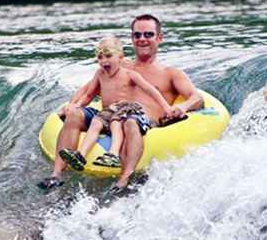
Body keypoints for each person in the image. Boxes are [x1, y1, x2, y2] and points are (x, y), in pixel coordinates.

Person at [38, 13, 204, 191]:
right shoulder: (117, 65)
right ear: (131, 38)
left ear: (159, 38)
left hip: (139, 121)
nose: (142, 39)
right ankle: (56, 176)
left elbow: (197, 98)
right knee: (74, 115)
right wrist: (73, 105)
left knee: (130, 122)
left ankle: (124, 180)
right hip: (107, 116)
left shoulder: (170, 73)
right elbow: (88, 90)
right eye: (137, 35)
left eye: (148, 34)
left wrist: (181, 107)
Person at [57, 36, 177, 172]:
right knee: (96, 122)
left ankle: (113, 154)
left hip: (125, 109)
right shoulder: (100, 74)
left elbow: (150, 90)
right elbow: (89, 94)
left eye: (108, 56)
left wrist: (166, 107)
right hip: (109, 110)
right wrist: (76, 105)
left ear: (120, 57)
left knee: (115, 123)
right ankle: (80, 155)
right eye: (100, 57)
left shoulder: (130, 74)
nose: (104, 61)